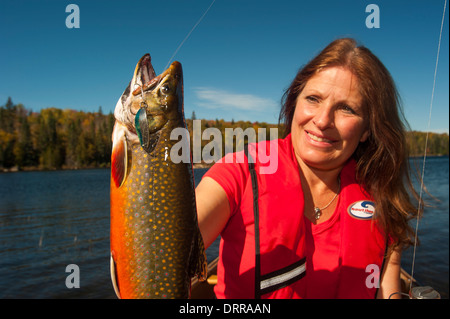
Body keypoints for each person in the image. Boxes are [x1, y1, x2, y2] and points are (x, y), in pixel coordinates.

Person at [195, 38, 422, 299]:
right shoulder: (238, 173)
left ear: (366, 130)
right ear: (295, 103)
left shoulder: (382, 197)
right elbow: (165, 245)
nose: (323, 120)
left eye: (346, 108)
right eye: (313, 99)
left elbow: (387, 288)